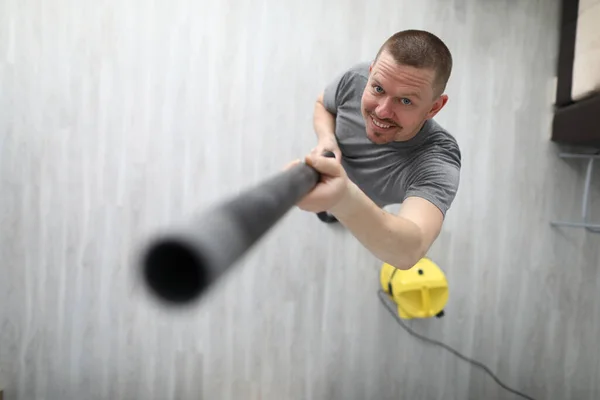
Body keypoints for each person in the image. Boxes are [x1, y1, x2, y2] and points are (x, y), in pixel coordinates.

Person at [293, 29, 461, 271]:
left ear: (434, 107)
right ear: (371, 73)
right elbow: (323, 104)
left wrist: (341, 197)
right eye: (378, 89)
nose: (382, 112)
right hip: (337, 190)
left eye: (405, 101)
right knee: (327, 214)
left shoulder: (438, 160)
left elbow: (409, 250)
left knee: (333, 216)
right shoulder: (355, 80)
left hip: (361, 209)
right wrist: (326, 139)